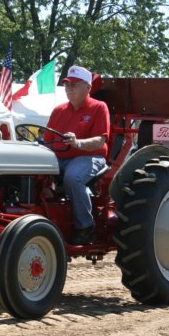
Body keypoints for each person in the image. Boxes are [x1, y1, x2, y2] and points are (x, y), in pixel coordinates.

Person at [43, 65, 110, 245]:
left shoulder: (98, 107)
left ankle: (86, 228)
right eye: (66, 84)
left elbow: (100, 141)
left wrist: (78, 143)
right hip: (59, 157)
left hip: (89, 157)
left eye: (74, 84)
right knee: (33, 170)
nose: (69, 88)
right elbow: (46, 139)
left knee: (73, 177)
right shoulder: (59, 111)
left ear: (88, 88)